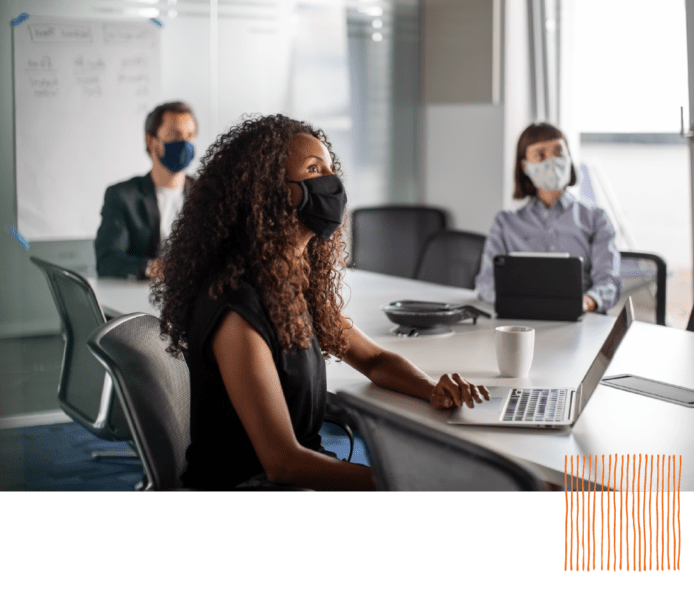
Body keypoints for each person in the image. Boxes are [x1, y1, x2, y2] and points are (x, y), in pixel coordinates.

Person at [151, 114, 490, 492]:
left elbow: (374, 360)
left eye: (330, 169)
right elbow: (284, 464)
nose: (332, 183)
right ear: (270, 192)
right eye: (314, 169)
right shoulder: (235, 307)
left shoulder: (291, 285)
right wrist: (402, 484)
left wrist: (430, 388)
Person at [475, 122, 621, 314]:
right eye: (540, 155)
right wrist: (523, 303)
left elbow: (609, 281)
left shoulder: (596, 218)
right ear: (525, 166)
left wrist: (586, 301)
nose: (552, 161)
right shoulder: (505, 222)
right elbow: (486, 283)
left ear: (569, 157)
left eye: (559, 152)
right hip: (520, 321)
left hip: (582, 319)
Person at [95, 101, 198, 280]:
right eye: (175, 135)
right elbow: (107, 260)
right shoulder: (122, 196)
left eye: (190, 135)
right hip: (146, 297)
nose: (184, 143)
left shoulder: (206, 193)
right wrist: (154, 268)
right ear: (151, 141)